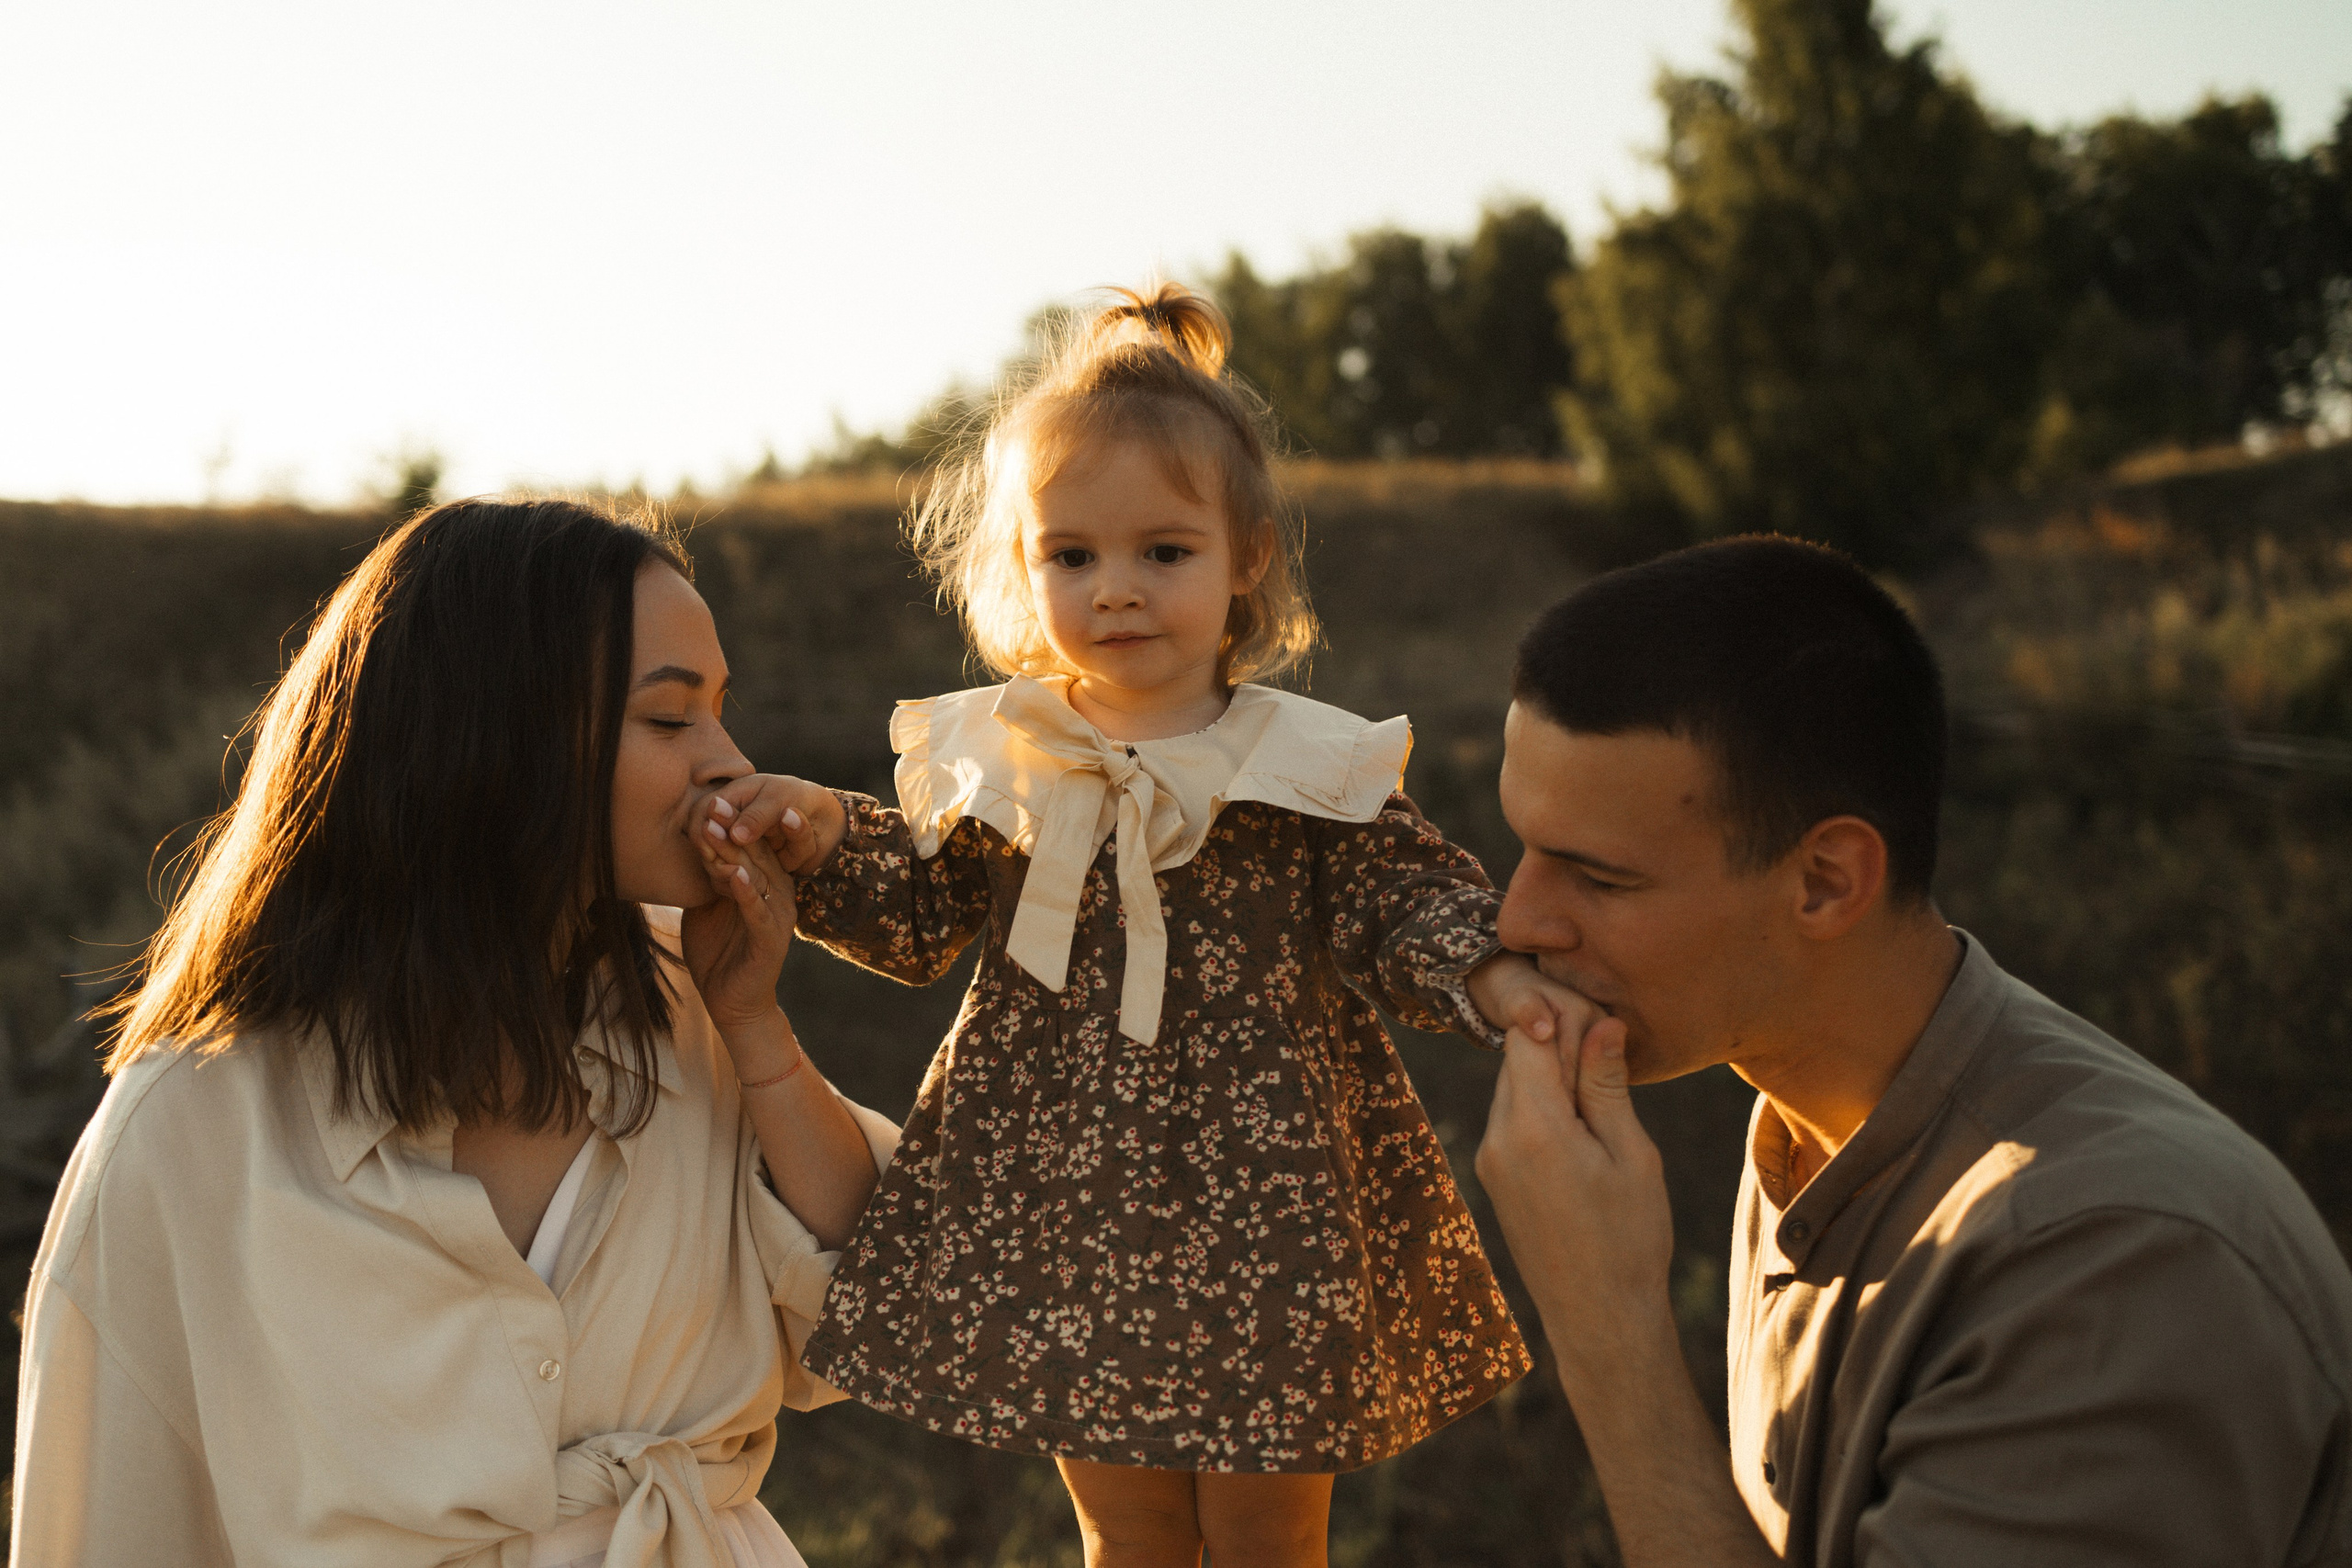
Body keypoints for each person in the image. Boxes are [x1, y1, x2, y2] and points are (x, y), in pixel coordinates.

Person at [702, 283, 1583, 1566]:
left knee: (1270, 1534)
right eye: (1072, 555)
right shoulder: (1011, 754)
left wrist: (1494, 975)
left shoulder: (1299, 764)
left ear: (1248, 563)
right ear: (1024, 566)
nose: (1116, 589)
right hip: (1068, 1204)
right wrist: (824, 833)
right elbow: (917, 914)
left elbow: (1402, 899)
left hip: (1270, 1212)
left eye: (1163, 551)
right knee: (1128, 1532)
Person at [12, 498, 896, 1567]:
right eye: (671, 720)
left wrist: (759, 1032)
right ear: (490, 730)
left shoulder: (702, 1018)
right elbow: (104, 1523)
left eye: (719, 713)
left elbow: (894, 1314)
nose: (726, 760)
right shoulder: (195, 1121)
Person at [1476, 535, 2352, 1566]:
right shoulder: (1807, 1124)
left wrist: (1606, 1326)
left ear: (1826, 883)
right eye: (1523, 849)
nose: (1518, 920)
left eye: (1599, 879)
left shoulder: (2116, 1263)